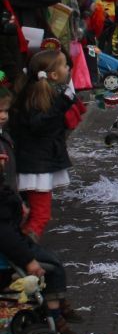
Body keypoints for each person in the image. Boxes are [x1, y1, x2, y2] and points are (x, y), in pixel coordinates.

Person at [0, 86, 80, 334]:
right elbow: (5, 234)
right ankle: (55, 318)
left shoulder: (6, 137)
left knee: (51, 261)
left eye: (5, 110)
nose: (3, 115)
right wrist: (28, 260)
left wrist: (17, 203)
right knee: (52, 266)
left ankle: (57, 310)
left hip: (11, 228)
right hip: (10, 245)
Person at [12, 47, 84, 242]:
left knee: (28, 214)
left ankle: (20, 251)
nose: (68, 68)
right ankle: (24, 254)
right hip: (36, 165)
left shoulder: (38, 92)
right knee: (40, 216)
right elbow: (40, 125)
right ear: (53, 75)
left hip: (36, 162)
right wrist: (62, 104)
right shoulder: (39, 96)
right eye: (64, 65)